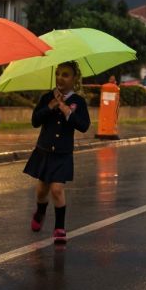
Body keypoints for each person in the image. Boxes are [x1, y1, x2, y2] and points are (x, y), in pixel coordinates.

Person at [23, 60, 91, 244]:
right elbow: (35, 121)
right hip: (44, 151)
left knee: (57, 189)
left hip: (63, 153)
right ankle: (40, 211)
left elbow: (84, 126)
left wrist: (68, 112)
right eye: (58, 74)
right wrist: (50, 107)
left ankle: (60, 227)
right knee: (41, 190)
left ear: (74, 78)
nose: (61, 78)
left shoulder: (78, 101)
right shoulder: (47, 97)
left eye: (66, 74)